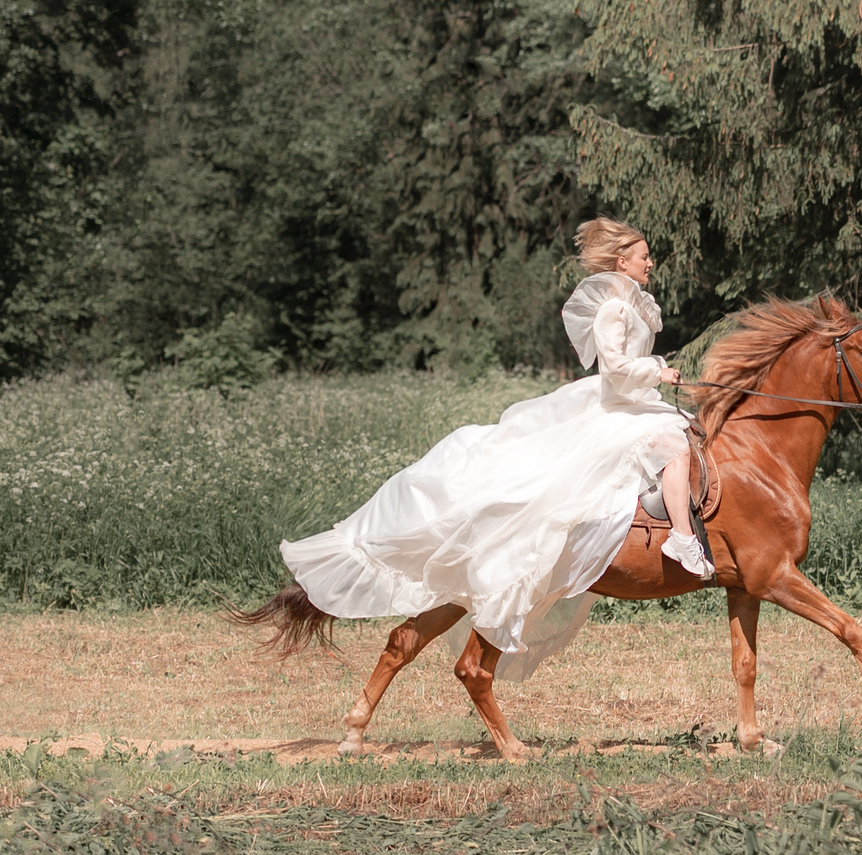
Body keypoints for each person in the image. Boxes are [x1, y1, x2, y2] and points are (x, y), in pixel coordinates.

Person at [274, 218, 710, 685]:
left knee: (682, 437)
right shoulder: (613, 310)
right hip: (616, 405)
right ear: (622, 261)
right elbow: (616, 369)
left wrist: (657, 370)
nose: (651, 263)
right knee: (672, 446)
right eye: (644, 256)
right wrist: (655, 372)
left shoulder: (635, 305)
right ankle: (681, 539)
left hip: (635, 402)